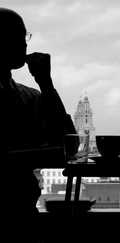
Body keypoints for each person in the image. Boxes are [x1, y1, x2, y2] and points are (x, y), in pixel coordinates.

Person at [0, 8, 76, 216]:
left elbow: (70, 143)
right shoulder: (29, 97)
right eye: (17, 36)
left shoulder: (31, 96)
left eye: (25, 36)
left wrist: (46, 83)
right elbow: (69, 144)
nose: (25, 43)